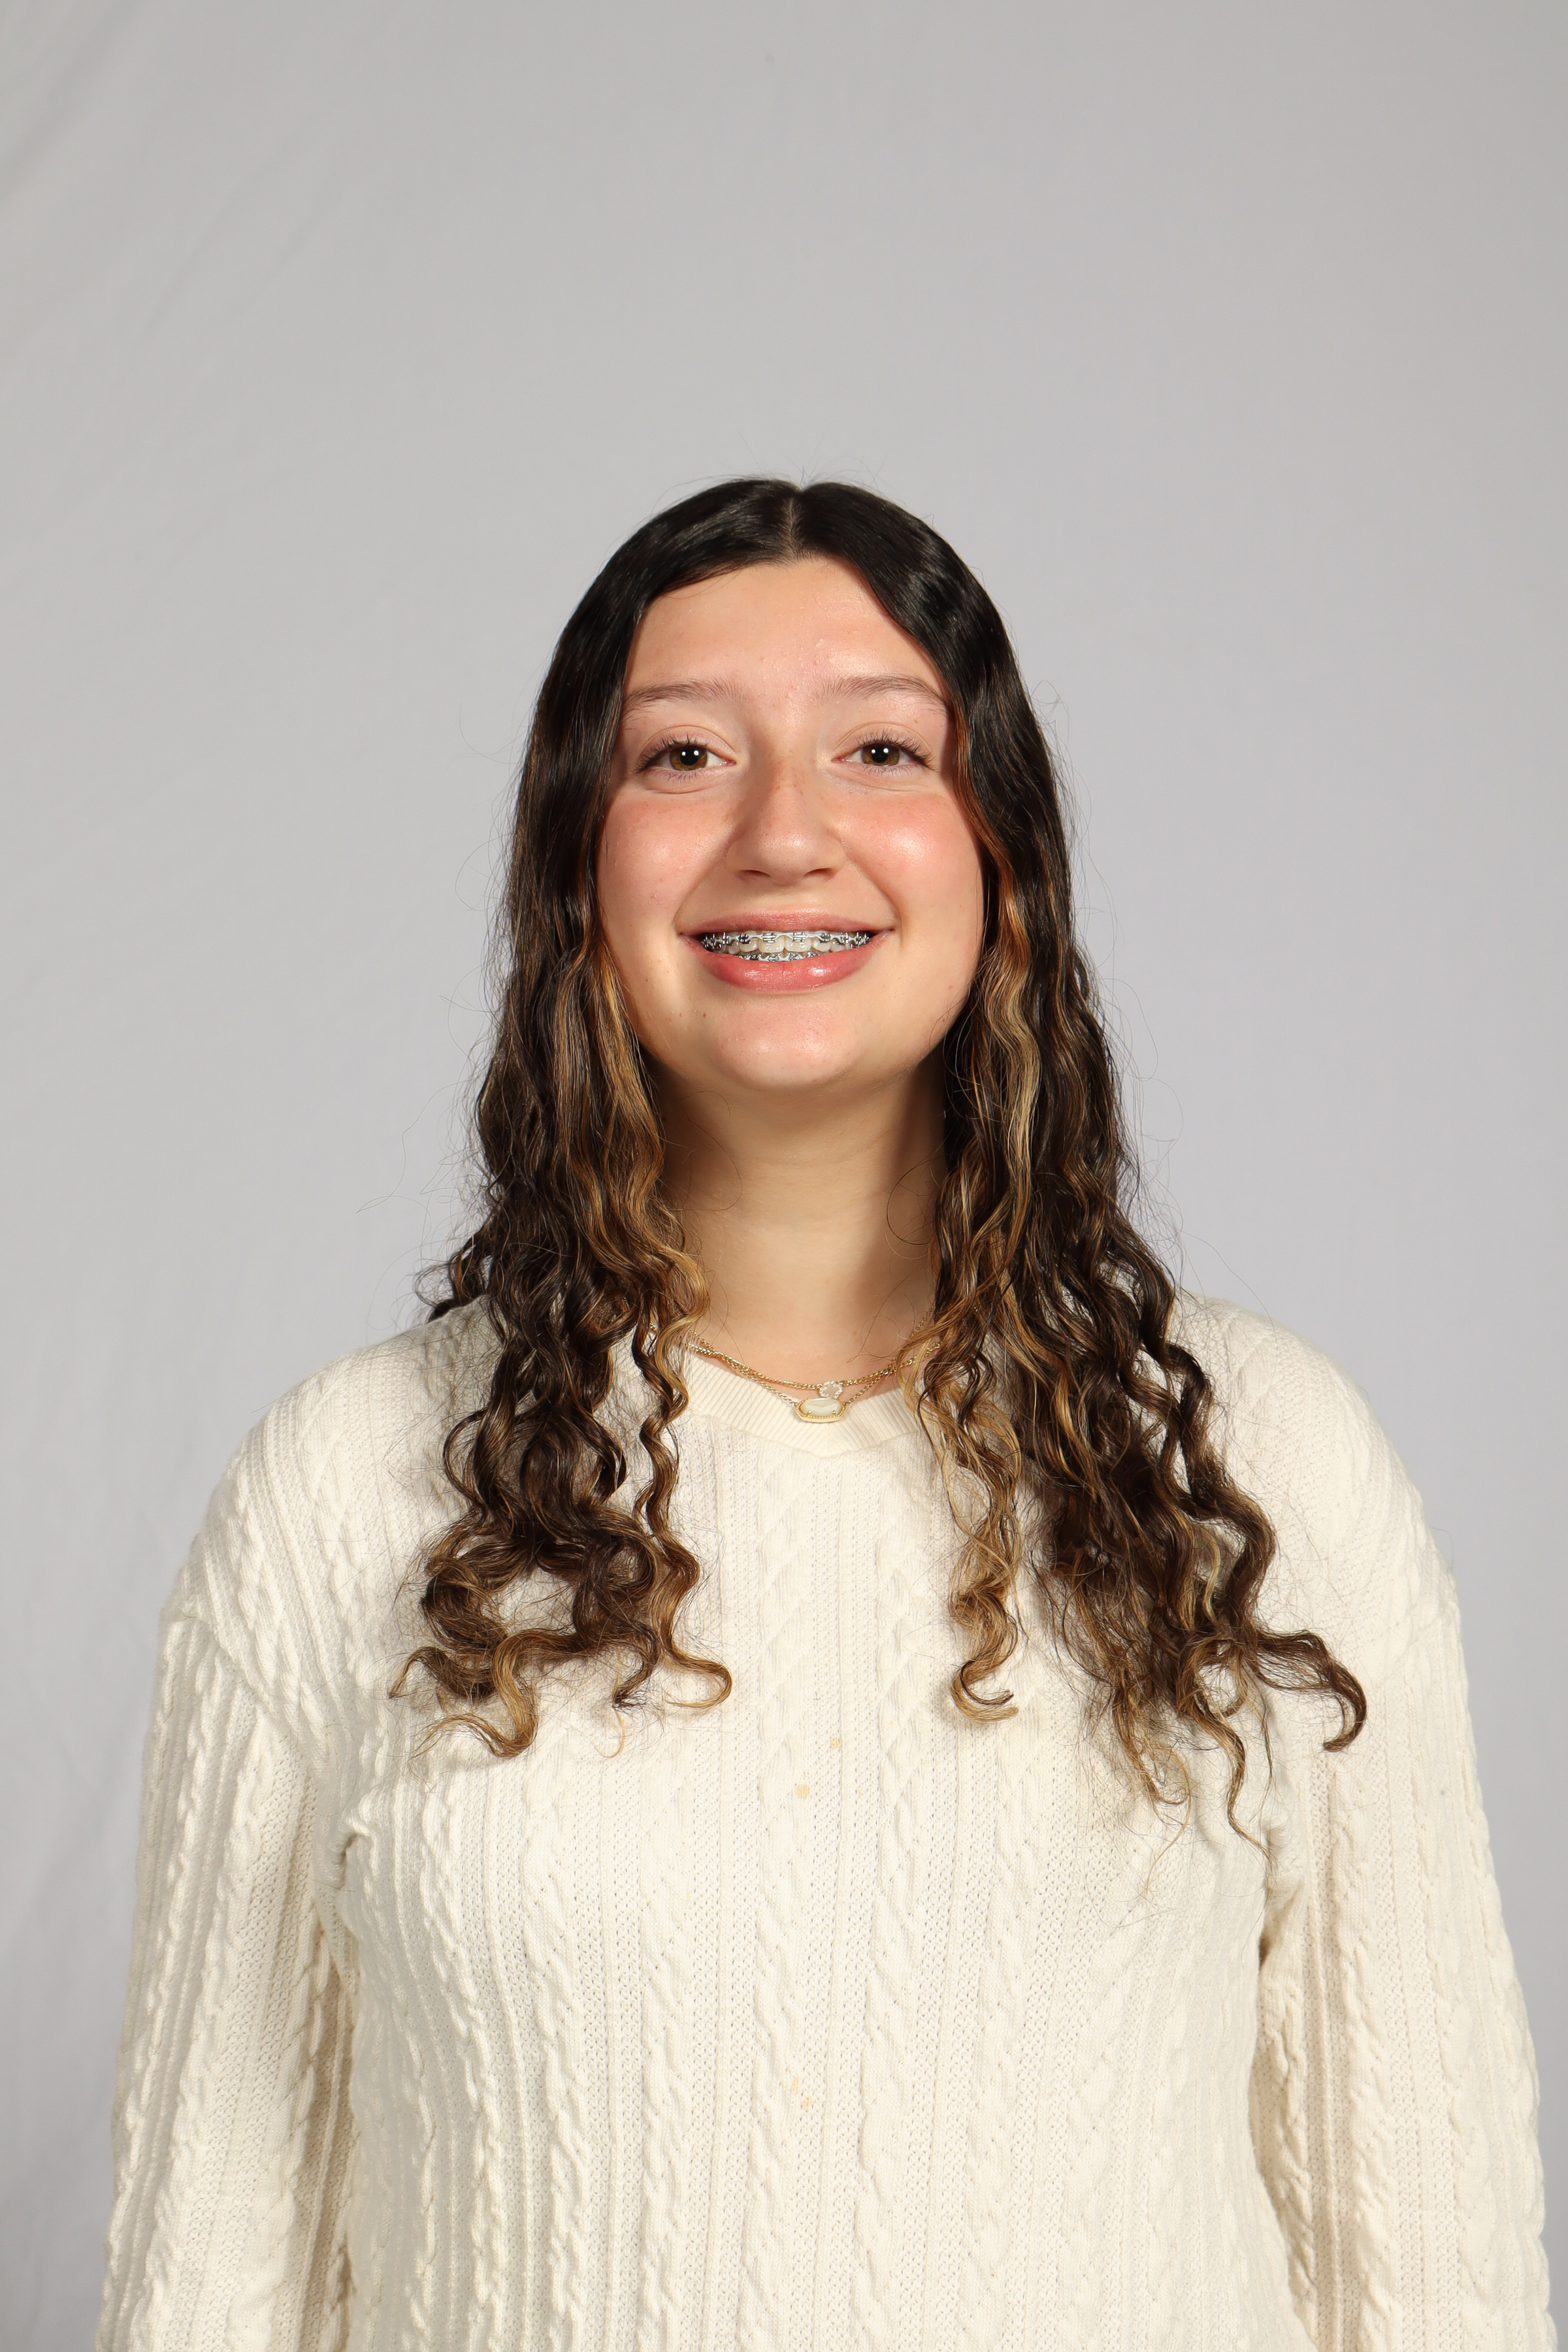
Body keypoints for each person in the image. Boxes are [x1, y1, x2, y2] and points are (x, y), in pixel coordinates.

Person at [97, 480, 1552, 2349]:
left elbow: (1428, 2261)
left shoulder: (1265, 1470)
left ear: (1000, 859)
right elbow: (208, 2275)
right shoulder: (341, 1494)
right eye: (685, 756)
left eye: (879, 748)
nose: (784, 834)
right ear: (576, 869)